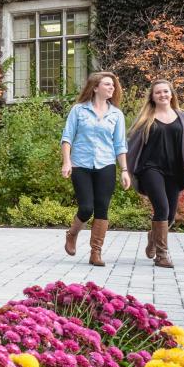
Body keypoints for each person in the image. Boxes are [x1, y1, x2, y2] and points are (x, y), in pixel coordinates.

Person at [126, 80, 184, 268]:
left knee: (170, 215)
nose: (162, 95)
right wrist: (128, 169)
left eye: (165, 91)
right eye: (158, 93)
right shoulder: (146, 118)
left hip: (175, 170)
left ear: (171, 94)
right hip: (150, 168)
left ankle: (153, 237)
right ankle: (162, 256)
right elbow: (131, 146)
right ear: (152, 97)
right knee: (161, 208)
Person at [61, 71, 131, 267]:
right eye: (108, 84)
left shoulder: (116, 114)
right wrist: (67, 162)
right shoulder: (78, 110)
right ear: (95, 88)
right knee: (86, 208)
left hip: (106, 164)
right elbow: (67, 138)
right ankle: (72, 233)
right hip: (80, 164)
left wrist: (124, 170)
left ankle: (96, 252)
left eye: (113, 85)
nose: (112, 88)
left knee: (102, 208)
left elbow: (120, 145)